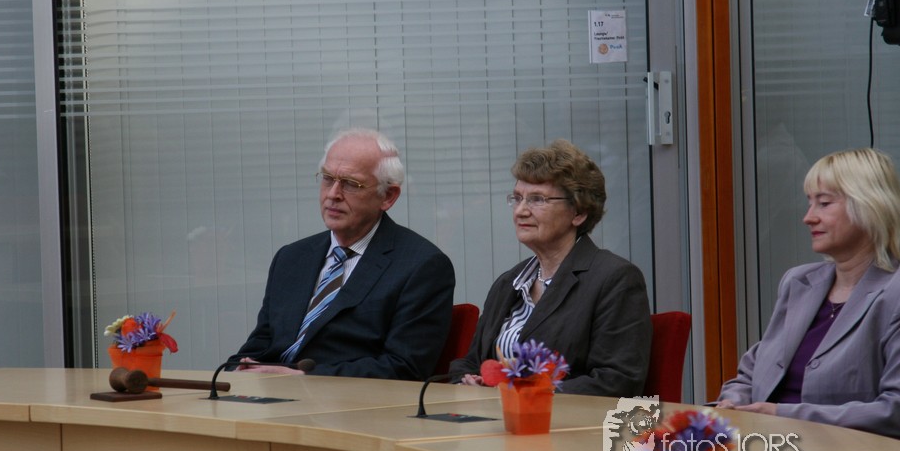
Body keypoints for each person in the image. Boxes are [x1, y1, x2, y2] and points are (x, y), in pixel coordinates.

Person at [230, 127, 456, 380]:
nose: (332, 194)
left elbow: (403, 367)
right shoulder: (291, 258)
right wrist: (240, 369)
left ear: (388, 196)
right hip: (270, 394)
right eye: (328, 178)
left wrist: (302, 378)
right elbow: (260, 345)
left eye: (350, 184)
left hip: (346, 401)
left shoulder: (421, 266)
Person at [716, 147, 900, 438]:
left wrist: (782, 415)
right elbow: (749, 374)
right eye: (809, 203)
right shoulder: (798, 282)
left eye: (824, 203)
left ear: (870, 206)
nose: (808, 217)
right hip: (764, 444)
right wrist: (733, 404)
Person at [449, 139, 652, 396]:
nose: (520, 211)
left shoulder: (615, 279)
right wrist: (469, 381)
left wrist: (523, 394)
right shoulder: (509, 283)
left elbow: (617, 380)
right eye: (517, 198)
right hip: (495, 416)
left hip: (569, 420)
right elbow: (469, 362)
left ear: (578, 213)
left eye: (537, 199)